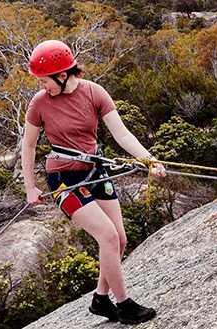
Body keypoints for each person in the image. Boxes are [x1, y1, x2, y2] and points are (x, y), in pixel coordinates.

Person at [21, 40, 166, 324]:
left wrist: (150, 160)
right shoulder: (39, 104)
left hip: (94, 171)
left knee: (120, 240)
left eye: (44, 81)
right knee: (108, 236)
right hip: (63, 178)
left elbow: (122, 134)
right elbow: (28, 146)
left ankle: (101, 299)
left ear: (62, 75)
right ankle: (124, 306)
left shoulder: (95, 93)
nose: (41, 87)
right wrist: (30, 187)